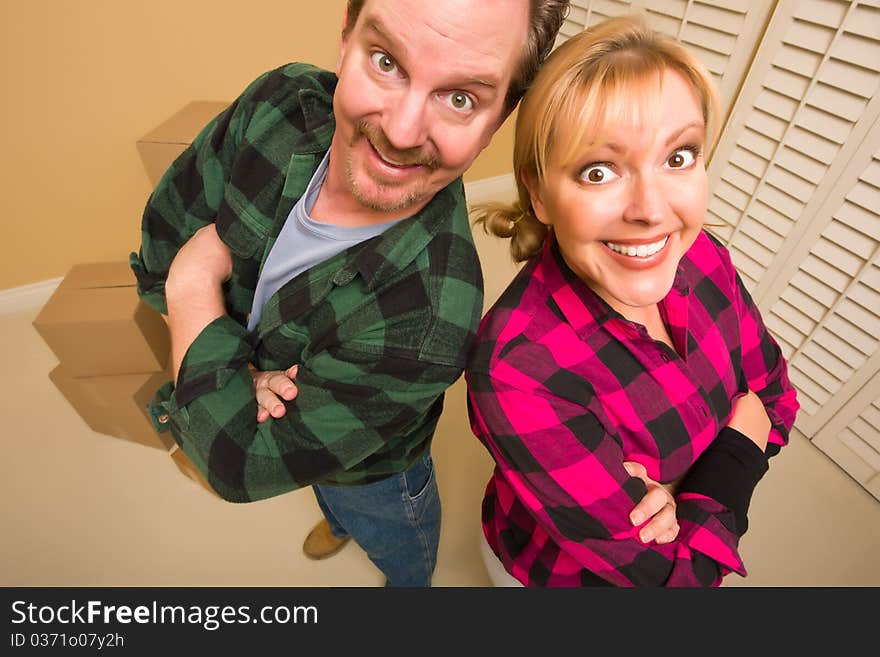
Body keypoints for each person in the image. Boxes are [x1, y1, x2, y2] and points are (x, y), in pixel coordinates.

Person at [129, 0, 570, 587]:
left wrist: (193, 288)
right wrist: (235, 371)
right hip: (303, 429)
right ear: (345, 38)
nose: (400, 131)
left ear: (499, 118)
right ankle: (336, 521)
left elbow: (235, 462)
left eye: (461, 98)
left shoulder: (435, 315)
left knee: (394, 537)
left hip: (375, 473)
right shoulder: (278, 104)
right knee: (318, 484)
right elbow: (158, 248)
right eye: (387, 61)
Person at [466, 14, 800, 587]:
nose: (651, 210)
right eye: (599, 171)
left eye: (678, 157)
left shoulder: (701, 256)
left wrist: (687, 493)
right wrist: (736, 450)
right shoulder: (516, 372)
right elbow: (676, 580)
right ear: (540, 194)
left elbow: (775, 397)